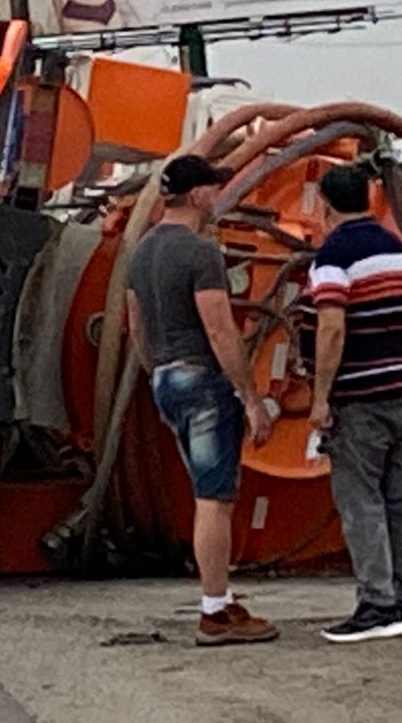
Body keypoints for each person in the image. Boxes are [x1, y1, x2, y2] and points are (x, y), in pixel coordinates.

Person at [126, 154, 278, 647]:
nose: (218, 195)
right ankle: (214, 611)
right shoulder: (200, 253)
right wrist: (250, 396)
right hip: (203, 381)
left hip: (167, 379)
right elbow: (219, 328)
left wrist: (158, 376)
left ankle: (222, 597)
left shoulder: (141, 252)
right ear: (195, 196)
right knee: (214, 500)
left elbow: (136, 329)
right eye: (213, 188)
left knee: (208, 494)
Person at [302, 163, 402, 643]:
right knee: (399, 497)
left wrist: (320, 398)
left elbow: (332, 330)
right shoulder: (397, 250)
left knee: (361, 502)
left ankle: (375, 606)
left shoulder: (333, 255)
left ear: (325, 203)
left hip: (360, 398)